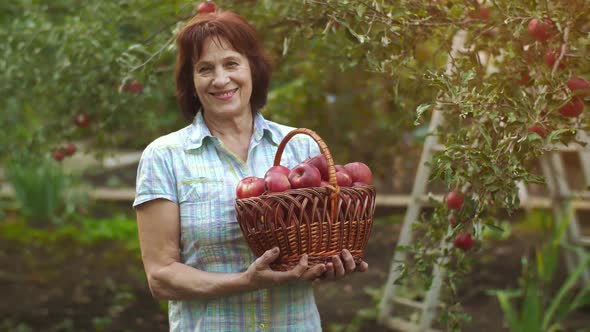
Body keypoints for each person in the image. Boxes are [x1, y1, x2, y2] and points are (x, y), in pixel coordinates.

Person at [133, 9, 368, 331]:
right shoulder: (165, 157)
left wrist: (330, 263)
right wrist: (246, 281)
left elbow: (315, 245)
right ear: (190, 81)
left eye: (231, 63)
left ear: (252, 68)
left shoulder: (300, 148)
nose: (220, 79)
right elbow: (161, 277)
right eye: (205, 69)